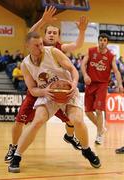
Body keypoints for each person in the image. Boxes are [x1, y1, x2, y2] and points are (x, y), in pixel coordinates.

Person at [4, 6, 88, 163]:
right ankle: (14, 147)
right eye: (49, 32)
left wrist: (82, 31)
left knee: (72, 119)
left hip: (58, 92)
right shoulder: (36, 45)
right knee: (20, 120)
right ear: (43, 35)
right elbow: (30, 35)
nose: (51, 34)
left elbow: (77, 45)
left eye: (54, 33)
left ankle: (69, 136)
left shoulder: (58, 49)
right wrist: (43, 20)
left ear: (58, 37)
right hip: (38, 92)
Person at [8, 31, 101, 173]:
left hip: (68, 91)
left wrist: (74, 83)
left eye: (41, 44)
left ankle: (86, 150)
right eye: (36, 45)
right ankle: (17, 156)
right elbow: (32, 89)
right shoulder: (25, 65)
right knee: (37, 121)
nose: (40, 47)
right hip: (48, 94)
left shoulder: (53, 52)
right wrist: (44, 92)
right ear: (27, 46)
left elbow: (72, 69)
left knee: (77, 120)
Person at [81, 33, 124, 145]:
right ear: (98, 41)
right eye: (101, 40)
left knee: (99, 110)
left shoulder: (111, 56)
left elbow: (116, 71)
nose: (102, 42)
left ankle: (99, 134)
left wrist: (120, 84)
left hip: (102, 85)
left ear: (107, 42)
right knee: (88, 112)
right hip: (90, 84)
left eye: (105, 40)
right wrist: (85, 75)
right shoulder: (90, 51)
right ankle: (101, 128)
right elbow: (83, 64)